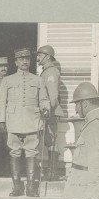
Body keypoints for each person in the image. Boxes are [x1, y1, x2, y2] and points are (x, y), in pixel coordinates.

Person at [0, 48, 50, 197]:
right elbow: (1, 102)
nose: (24, 61)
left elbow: (44, 99)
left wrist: (46, 109)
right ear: (16, 62)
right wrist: (1, 121)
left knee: (31, 152)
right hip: (13, 121)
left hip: (32, 120)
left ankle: (31, 187)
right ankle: (17, 187)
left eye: (27, 59)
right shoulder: (8, 80)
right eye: (21, 59)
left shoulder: (38, 80)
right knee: (14, 152)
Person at [36, 45, 65, 180]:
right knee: (48, 141)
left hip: (51, 111)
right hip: (48, 110)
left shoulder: (51, 72)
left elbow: (52, 95)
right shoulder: (45, 71)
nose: (37, 58)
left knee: (52, 140)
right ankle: (51, 171)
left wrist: (48, 111)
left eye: (39, 55)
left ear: (47, 56)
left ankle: (53, 172)